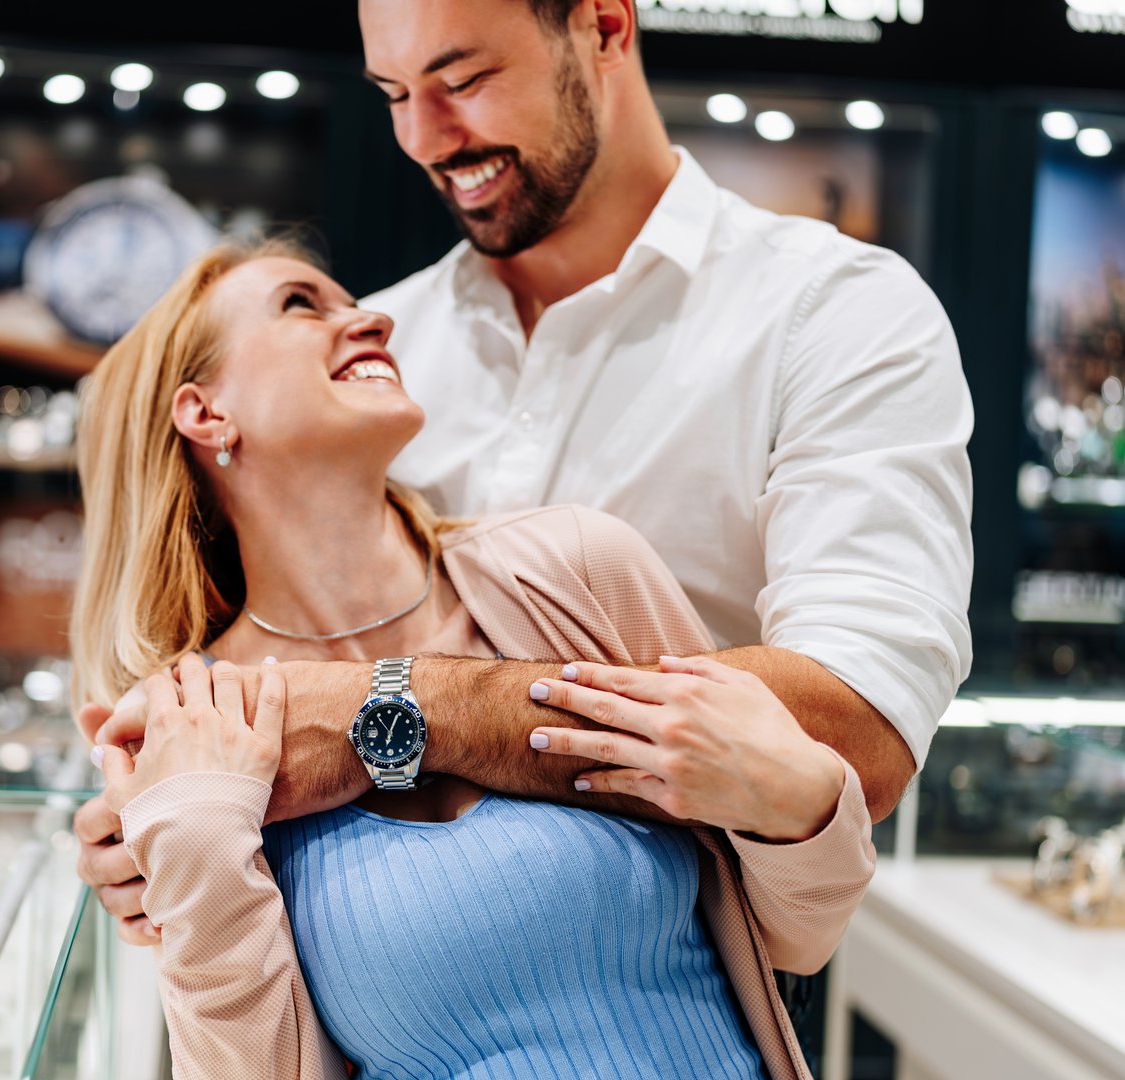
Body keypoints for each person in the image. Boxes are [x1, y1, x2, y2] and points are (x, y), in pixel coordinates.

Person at [75, 0, 972, 948]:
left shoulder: (832, 315)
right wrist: (147, 834)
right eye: (395, 94)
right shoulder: (376, 355)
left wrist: (387, 713)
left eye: (463, 80)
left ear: (605, 28)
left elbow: (859, 732)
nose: (425, 138)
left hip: (710, 966)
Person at [70, 240, 877, 1079]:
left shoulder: (574, 572)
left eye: (354, 302)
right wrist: (190, 834)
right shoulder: (203, 728)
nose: (371, 318)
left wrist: (805, 802)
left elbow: (798, 930)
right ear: (205, 415)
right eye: (302, 305)